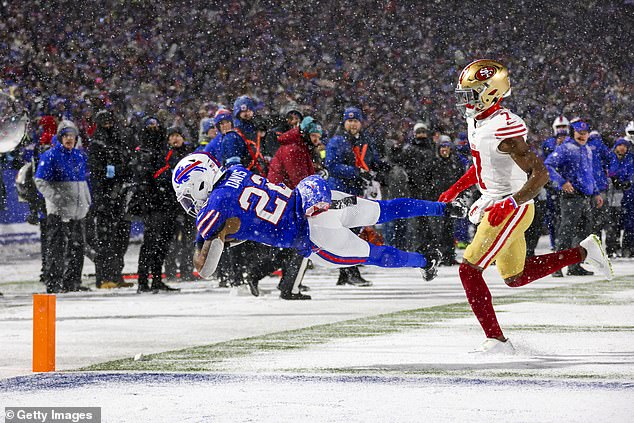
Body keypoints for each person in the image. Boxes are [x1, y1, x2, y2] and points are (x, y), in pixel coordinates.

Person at [440, 59, 613, 353]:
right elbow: (483, 166)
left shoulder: (503, 128)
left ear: (491, 92)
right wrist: (455, 188)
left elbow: (541, 175)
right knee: (515, 277)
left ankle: (496, 340)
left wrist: (508, 203)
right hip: (498, 201)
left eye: (471, 93)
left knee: (469, 269)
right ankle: (584, 251)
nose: (466, 101)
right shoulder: (477, 121)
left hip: (513, 205)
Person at [172, 153, 468, 288]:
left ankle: (424, 261)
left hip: (312, 232)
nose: (190, 203)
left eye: (188, 195)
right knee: (383, 209)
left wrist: (213, 239)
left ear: (198, 183)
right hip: (320, 200)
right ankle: (443, 208)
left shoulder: (216, 204)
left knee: (372, 254)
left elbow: (207, 269)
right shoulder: (236, 173)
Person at [325, 107, 390, 287]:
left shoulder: (365, 141)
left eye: (356, 121)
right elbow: (331, 166)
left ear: (361, 123)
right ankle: (350, 271)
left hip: (356, 190)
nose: (352, 124)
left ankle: (345, 273)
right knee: (348, 231)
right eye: (349, 121)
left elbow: (372, 161)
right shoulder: (337, 141)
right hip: (341, 192)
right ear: (344, 123)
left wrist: (381, 166)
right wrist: (356, 172)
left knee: (352, 231)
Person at [267, 116, 325, 299]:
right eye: (314, 135)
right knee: (302, 245)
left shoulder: (297, 146)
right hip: (286, 201)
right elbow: (299, 180)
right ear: (306, 133)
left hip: (284, 200)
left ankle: (283, 282)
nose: (317, 140)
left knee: (290, 246)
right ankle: (288, 287)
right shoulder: (294, 148)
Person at [34, 120, 92, 293]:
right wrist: (56, 199)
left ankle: (72, 281)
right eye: (66, 136)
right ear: (60, 137)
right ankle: (54, 283)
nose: (69, 139)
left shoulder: (79, 156)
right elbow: (40, 181)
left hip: (78, 212)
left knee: (77, 247)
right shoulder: (51, 155)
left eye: (72, 136)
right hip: (59, 212)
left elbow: (83, 182)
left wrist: (87, 201)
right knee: (57, 248)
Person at [544, 120, 605, 276]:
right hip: (571, 196)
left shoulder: (587, 150)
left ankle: (574, 265)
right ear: (573, 133)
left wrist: (596, 192)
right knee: (567, 231)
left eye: (585, 133)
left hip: (585, 196)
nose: (583, 135)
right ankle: (556, 266)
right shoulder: (565, 148)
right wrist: (562, 182)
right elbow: (548, 165)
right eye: (580, 133)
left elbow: (589, 173)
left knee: (582, 232)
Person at [128, 116, 179, 293]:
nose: (154, 128)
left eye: (156, 125)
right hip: (152, 203)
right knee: (151, 243)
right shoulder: (142, 151)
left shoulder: (164, 149)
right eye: (150, 125)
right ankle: (143, 281)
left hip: (167, 202)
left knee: (163, 243)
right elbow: (143, 177)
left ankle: (157, 279)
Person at [88, 110, 134, 289]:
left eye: (110, 121)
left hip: (120, 196)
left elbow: (125, 163)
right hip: (105, 198)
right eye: (104, 122)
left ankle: (116, 274)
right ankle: (104, 277)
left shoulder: (118, 140)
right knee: (105, 240)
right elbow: (97, 170)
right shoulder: (97, 143)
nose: (108, 124)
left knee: (121, 239)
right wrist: (113, 173)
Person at [163, 125, 198, 281]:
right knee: (172, 241)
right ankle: (170, 271)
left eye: (177, 135)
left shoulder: (191, 154)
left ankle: (187, 270)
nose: (174, 139)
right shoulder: (166, 154)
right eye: (171, 136)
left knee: (189, 240)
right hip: (171, 204)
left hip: (189, 204)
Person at [606, 138, 634, 257]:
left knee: (630, 223)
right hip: (613, 195)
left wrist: (627, 181)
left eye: (625, 145)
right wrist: (613, 178)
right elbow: (606, 171)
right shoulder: (609, 157)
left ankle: (628, 248)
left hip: (629, 195)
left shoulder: (630, 158)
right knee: (613, 223)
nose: (622, 147)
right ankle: (612, 248)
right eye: (620, 145)